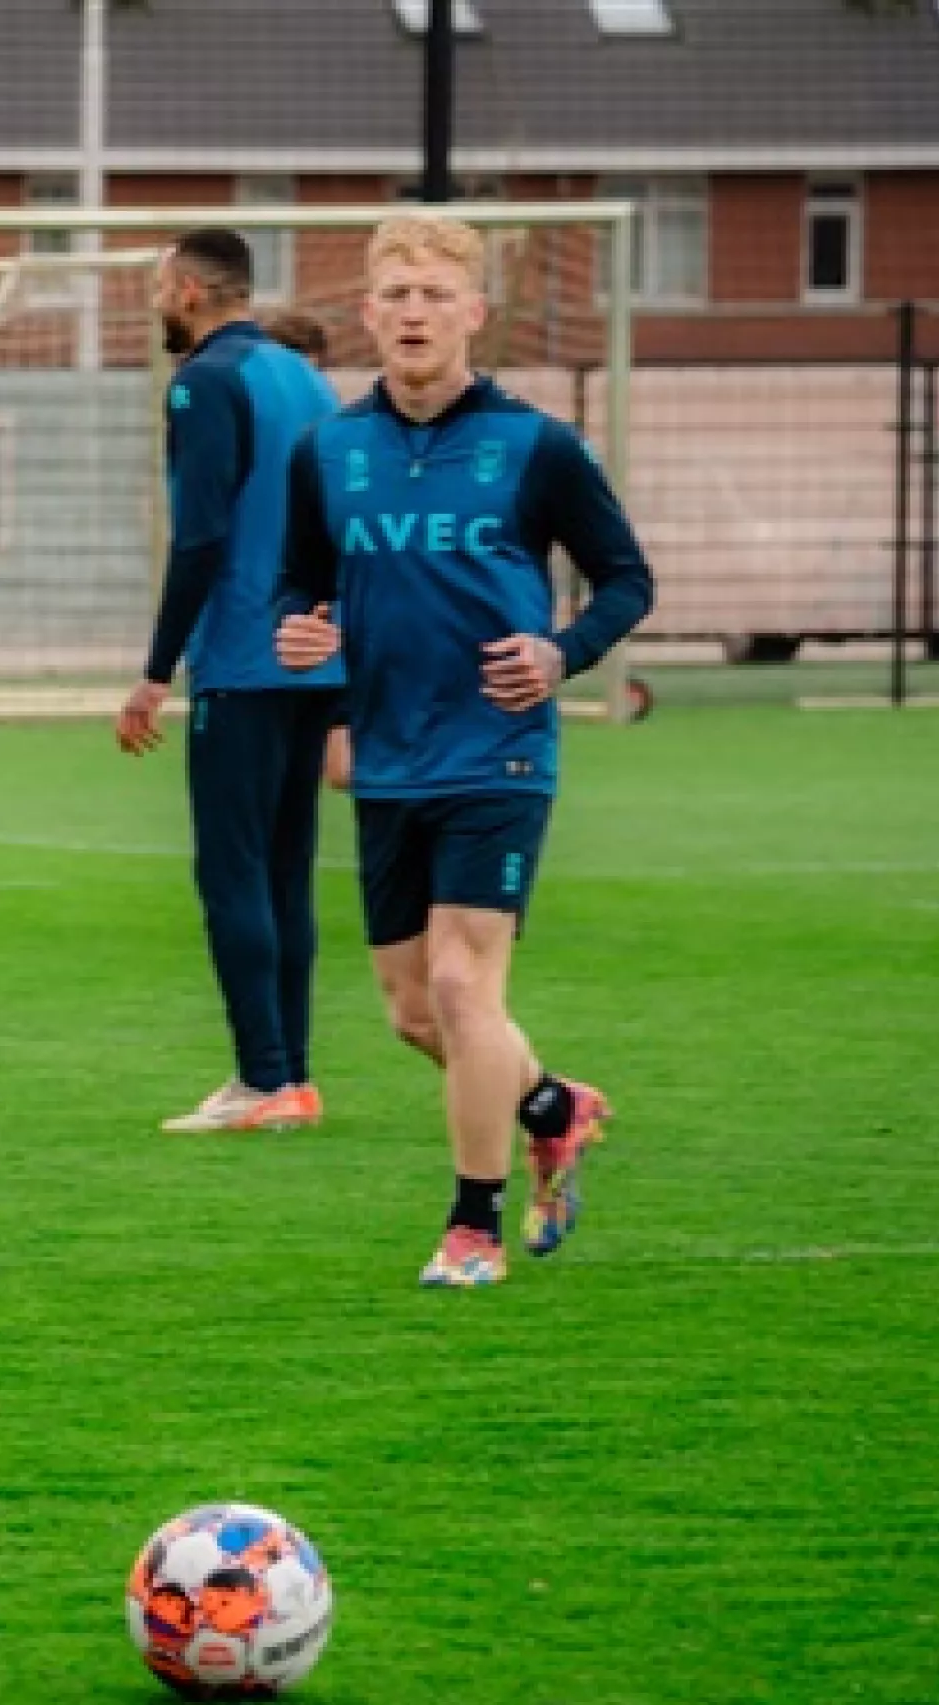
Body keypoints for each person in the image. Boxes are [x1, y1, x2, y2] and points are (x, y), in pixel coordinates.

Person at [272, 214, 650, 1288]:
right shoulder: (330, 450)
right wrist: (301, 631)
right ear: (368, 316)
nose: (413, 312)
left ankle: (472, 1225)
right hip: (390, 756)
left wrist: (561, 649)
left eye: (435, 294)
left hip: (499, 752)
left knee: (458, 982)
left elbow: (626, 577)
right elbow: (302, 582)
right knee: (408, 1008)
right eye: (395, 295)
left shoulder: (535, 445)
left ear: (474, 313)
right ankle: (553, 1105)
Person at [116, 232, 343, 1136]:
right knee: (286, 870)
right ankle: (292, 1075)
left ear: (186, 289)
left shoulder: (203, 381)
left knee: (233, 870)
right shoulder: (306, 378)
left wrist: (152, 669)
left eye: (157, 288)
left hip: (245, 658)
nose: (154, 305)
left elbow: (201, 535)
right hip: (314, 655)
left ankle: (262, 1077)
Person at [258, 313, 357, 794]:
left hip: (335, 624)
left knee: (343, 770)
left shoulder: (339, 439)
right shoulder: (250, 438)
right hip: (271, 625)